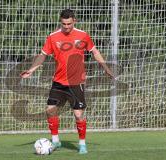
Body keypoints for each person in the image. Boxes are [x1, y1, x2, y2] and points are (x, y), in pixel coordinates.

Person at [20, 9, 115, 154]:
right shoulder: (53, 37)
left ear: (74, 21)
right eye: (64, 24)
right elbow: (43, 55)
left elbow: (95, 52)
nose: (66, 27)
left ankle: (82, 144)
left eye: (69, 24)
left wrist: (106, 68)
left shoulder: (83, 35)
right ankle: (56, 141)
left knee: (78, 115)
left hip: (76, 83)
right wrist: (31, 69)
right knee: (50, 110)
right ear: (60, 22)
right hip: (58, 82)